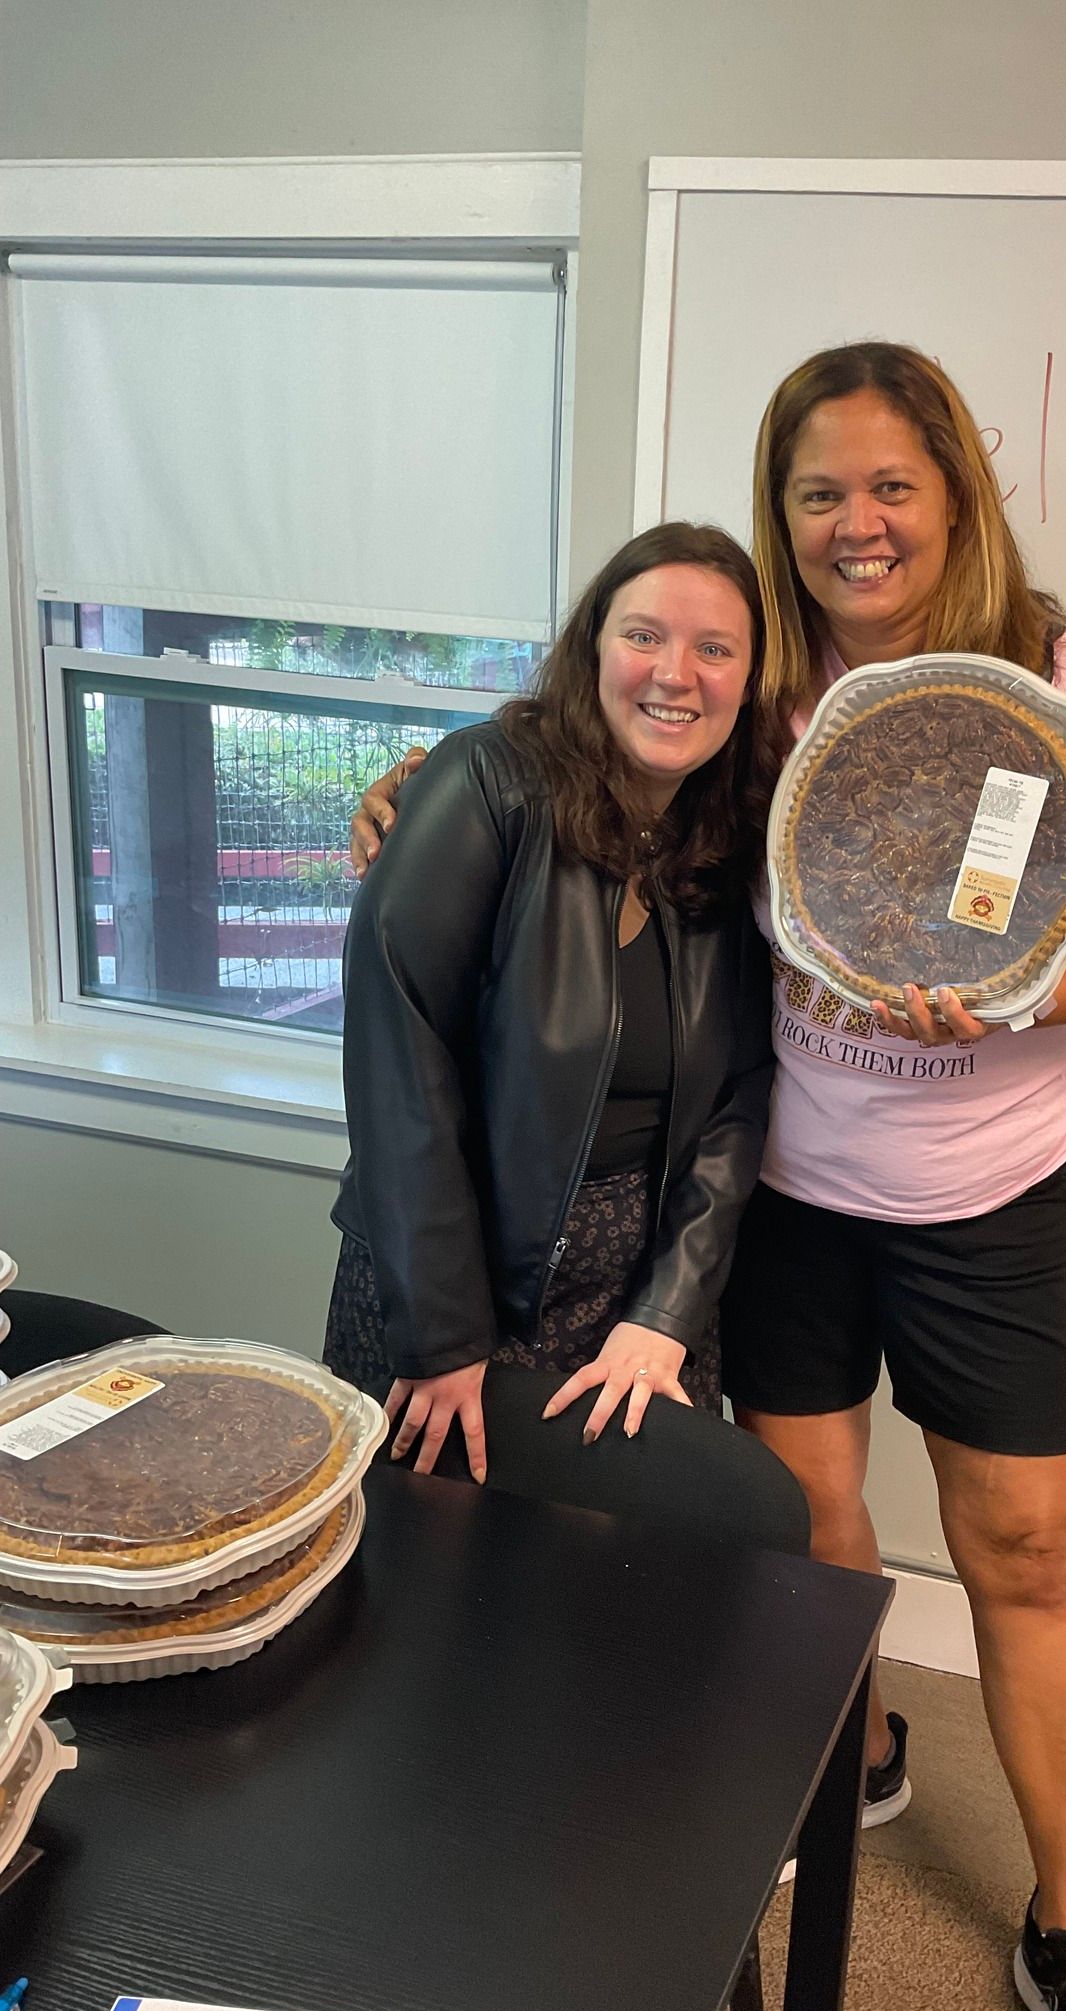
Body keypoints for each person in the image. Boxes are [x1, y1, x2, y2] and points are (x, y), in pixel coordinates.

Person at [351, 346, 1066, 2011]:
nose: (856, 522)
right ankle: (860, 1750)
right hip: (794, 1192)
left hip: (991, 1195)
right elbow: (591, 735)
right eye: (819, 491)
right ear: (782, 510)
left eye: (892, 484)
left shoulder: (1062, 682)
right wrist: (421, 785)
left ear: (953, 489)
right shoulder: (758, 678)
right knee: (813, 1541)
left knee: (1022, 1548)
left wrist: (1024, 986)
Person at [326, 522, 775, 1484]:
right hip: (452, 1275)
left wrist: (667, 1316)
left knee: (621, 1588)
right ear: (594, 648)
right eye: (644, 635)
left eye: (715, 649)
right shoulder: (487, 783)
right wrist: (444, 1334)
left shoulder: (734, 835)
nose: (675, 674)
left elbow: (738, 1097)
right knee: (428, 1578)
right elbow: (399, 1056)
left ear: (748, 677)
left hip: (640, 1302)